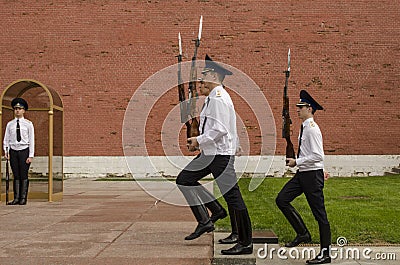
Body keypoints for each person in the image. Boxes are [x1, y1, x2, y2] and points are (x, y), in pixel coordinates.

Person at [176, 54, 252, 255]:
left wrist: (198, 140)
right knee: (184, 179)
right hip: (211, 154)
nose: (202, 78)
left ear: (215, 76)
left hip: (218, 156)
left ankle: (246, 242)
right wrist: (200, 142)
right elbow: (221, 127)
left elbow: (220, 130)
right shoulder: (214, 97)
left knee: (234, 198)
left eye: (206, 74)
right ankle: (209, 217)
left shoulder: (218, 98)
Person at [276, 90, 331, 264]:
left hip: (311, 176)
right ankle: (302, 233)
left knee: (320, 215)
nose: (297, 110)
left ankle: (325, 253)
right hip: (304, 174)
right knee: (282, 199)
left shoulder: (312, 129)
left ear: (309, 108)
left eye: (301, 107)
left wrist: (297, 162)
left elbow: (318, 156)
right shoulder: (305, 127)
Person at [3, 98, 35, 205]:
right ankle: (16, 198)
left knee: (23, 175)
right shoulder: (10, 124)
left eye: (20, 109)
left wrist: (31, 155)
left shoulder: (28, 124)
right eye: (16, 108)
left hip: (24, 150)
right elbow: (6, 139)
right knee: (16, 175)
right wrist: (6, 151)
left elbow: (31, 140)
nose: (17, 111)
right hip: (13, 151)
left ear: (24, 111)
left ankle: (23, 198)